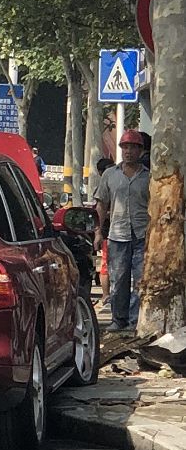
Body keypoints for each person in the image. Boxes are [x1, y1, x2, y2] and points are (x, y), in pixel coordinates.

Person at [94, 130, 150, 333]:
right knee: (118, 280)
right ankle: (119, 319)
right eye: (125, 147)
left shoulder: (148, 177)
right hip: (117, 235)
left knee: (141, 280)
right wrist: (98, 232)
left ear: (140, 150)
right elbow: (101, 205)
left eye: (133, 147)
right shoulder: (110, 175)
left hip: (143, 236)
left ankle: (135, 320)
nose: (128, 152)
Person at [94, 157, 114, 311]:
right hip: (109, 233)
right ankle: (106, 295)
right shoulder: (104, 186)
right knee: (106, 265)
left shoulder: (111, 183)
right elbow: (99, 208)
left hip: (113, 231)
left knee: (107, 265)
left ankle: (107, 295)